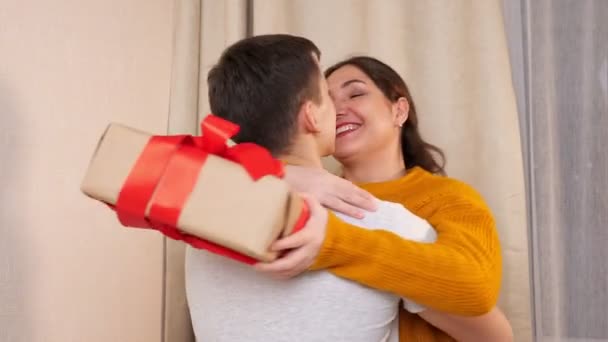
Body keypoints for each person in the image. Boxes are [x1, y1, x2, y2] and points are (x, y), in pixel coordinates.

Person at [186, 34, 439, 342]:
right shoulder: (392, 224)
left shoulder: (199, 216)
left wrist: (280, 175)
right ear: (311, 115)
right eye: (326, 95)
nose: (339, 108)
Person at [255, 56, 514, 341]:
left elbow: (488, 316)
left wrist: (341, 249)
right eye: (327, 102)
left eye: (356, 93)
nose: (339, 109)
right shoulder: (299, 195)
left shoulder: (447, 198)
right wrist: (286, 175)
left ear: (399, 110)